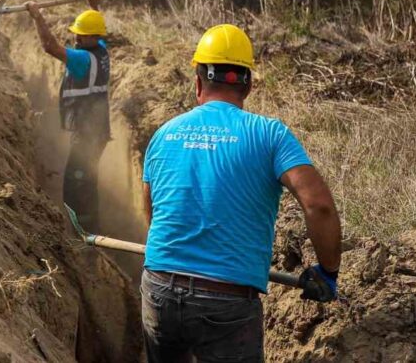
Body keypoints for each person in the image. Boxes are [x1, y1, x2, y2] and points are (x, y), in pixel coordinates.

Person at [141, 24, 342, 362]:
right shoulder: (269, 135)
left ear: (198, 81)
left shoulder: (164, 134)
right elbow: (318, 205)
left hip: (159, 289)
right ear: (247, 84)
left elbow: (152, 210)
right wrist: (327, 272)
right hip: (226, 303)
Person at [24, 0, 110, 229]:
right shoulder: (101, 49)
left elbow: (50, 47)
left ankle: (85, 237)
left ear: (93, 36)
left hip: (87, 134)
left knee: (75, 190)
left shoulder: (82, 59)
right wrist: (94, 7)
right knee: (87, 183)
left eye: (82, 36)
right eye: (77, 34)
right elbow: (96, 31)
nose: (77, 39)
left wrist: (37, 16)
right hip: (97, 131)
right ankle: (91, 232)